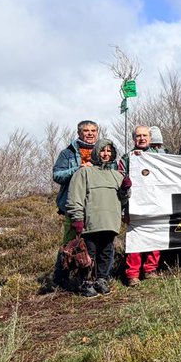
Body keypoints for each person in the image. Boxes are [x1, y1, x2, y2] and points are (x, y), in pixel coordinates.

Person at [65, 139, 129, 297]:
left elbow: (123, 200)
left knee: (106, 252)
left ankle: (102, 280)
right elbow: (75, 198)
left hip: (110, 222)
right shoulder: (84, 172)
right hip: (90, 222)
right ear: (96, 152)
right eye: (103, 150)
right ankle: (86, 282)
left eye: (109, 151)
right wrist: (77, 218)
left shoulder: (117, 175)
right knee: (88, 254)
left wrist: (126, 189)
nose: (106, 154)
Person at [50, 120, 100, 289]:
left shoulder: (104, 151)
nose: (90, 133)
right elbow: (57, 175)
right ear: (79, 133)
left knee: (94, 243)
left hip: (96, 205)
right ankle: (59, 279)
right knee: (70, 243)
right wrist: (78, 169)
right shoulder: (68, 153)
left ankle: (89, 279)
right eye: (86, 131)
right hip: (73, 204)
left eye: (93, 130)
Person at [120, 125, 162, 285]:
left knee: (155, 235)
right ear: (133, 139)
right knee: (135, 238)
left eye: (145, 135)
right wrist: (124, 209)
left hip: (156, 203)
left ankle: (151, 269)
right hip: (134, 204)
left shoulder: (160, 156)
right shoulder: (126, 158)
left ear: (150, 138)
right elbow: (120, 184)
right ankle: (132, 274)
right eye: (138, 136)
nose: (142, 138)